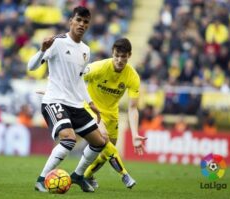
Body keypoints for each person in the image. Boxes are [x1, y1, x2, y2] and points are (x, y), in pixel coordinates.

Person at [27, 6, 106, 193]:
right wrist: (41, 50)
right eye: (78, 20)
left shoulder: (86, 50)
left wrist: (91, 104)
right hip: (54, 101)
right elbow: (31, 67)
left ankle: (77, 175)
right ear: (71, 21)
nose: (82, 24)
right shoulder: (57, 42)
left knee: (100, 142)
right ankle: (41, 180)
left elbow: (79, 81)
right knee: (69, 139)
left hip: (75, 104)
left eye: (85, 22)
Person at [83, 38, 147, 189]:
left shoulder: (132, 76)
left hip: (112, 115)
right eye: (116, 55)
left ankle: (85, 176)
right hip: (91, 109)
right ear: (112, 53)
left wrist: (135, 134)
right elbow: (76, 76)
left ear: (129, 55)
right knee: (103, 138)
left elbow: (132, 108)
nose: (119, 60)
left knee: (106, 153)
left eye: (123, 56)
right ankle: (125, 175)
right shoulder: (98, 67)